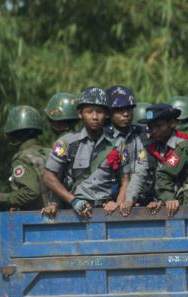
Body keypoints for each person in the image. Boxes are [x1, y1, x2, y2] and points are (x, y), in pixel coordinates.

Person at [42, 87, 131, 218]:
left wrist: (118, 204)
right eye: (89, 112)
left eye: (99, 112)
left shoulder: (118, 144)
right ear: (80, 114)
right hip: (74, 211)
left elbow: (125, 181)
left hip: (107, 210)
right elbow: (48, 178)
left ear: (106, 114)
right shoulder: (67, 143)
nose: (95, 117)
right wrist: (74, 201)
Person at [121, 103, 188, 215]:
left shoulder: (183, 145)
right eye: (151, 127)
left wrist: (167, 199)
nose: (153, 131)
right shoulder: (152, 147)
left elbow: (173, 175)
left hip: (183, 200)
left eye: (158, 126)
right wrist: (130, 199)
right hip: (164, 200)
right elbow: (140, 173)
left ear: (172, 123)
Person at [0, 105, 51, 211]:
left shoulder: (22, 159)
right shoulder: (50, 152)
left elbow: (31, 192)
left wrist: (0, 197)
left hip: (37, 220)